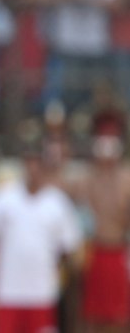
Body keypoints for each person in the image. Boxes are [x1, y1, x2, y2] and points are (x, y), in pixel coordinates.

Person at [0, 146, 82, 333]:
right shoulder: (2, 198)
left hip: (41, 293)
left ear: (44, 168)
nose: (33, 170)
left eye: (37, 165)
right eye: (29, 164)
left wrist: (58, 278)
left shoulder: (57, 202)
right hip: (7, 291)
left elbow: (68, 249)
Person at [78, 134, 130, 333]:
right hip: (96, 250)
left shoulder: (126, 182)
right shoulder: (88, 181)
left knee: (120, 314)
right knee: (93, 314)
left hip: (118, 250)